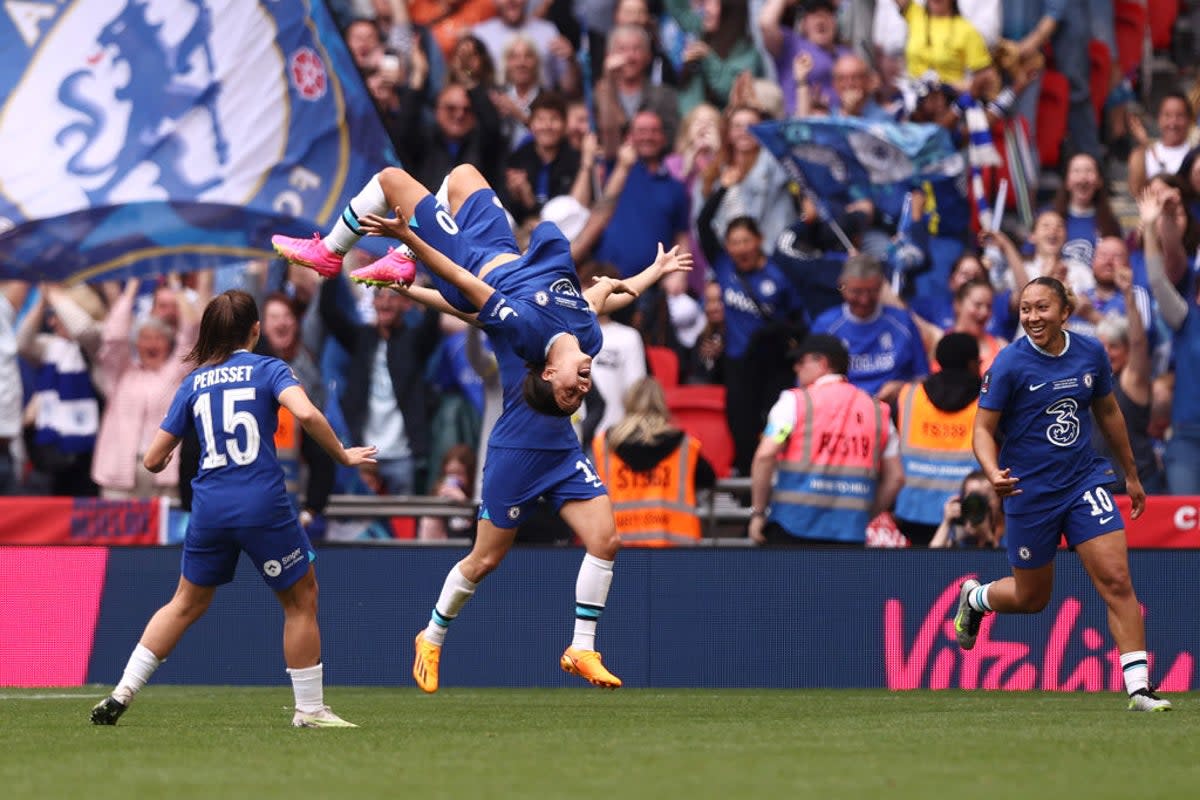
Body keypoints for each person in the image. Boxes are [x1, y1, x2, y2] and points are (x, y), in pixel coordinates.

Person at [274, 162, 692, 691]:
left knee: (598, 541)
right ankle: (432, 636)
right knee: (464, 170)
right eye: (577, 389)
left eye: (574, 390)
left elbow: (463, 286)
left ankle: (330, 251)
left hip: (481, 282)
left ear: (545, 371)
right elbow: (607, 291)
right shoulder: (586, 334)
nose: (583, 387)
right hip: (523, 420)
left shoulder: (523, 327)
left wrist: (413, 247)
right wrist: (654, 273)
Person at [89, 290, 378, 728]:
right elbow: (307, 414)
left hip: (209, 507)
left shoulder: (193, 381)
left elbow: (152, 459)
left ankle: (123, 690)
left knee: (185, 602)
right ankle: (310, 709)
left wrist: (164, 458)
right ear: (255, 330)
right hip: (261, 503)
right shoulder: (270, 368)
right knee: (301, 599)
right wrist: (341, 454)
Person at [957, 276, 1172, 712]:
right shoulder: (1009, 364)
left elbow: (1108, 411)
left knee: (1116, 578)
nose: (1032, 317)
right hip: (1028, 490)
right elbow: (981, 429)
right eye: (1025, 309)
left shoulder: (1090, 352)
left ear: (1064, 313)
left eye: (1042, 308)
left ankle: (1139, 689)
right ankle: (976, 598)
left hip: (1083, 481)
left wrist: (1130, 474)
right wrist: (991, 469)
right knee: (1031, 599)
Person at [748, 334, 904, 546]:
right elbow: (896, 478)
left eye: (801, 361)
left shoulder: (793, 403)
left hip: (793, 527)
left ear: (822, 363)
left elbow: (765, 455)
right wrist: (863, 516)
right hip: (850, 533)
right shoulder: (878, 411)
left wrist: (758, 512)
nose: (796, 368)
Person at [591, 376, 717, 546]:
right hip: (672, 551)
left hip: (616, 548)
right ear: (662, 404)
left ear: (628, 403)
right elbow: (709, 478)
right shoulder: (685, 446)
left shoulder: (604, 444)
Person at [892, 332, 981, 547]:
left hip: (912, 511)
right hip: (967, 511)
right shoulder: (987, 399)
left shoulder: (909, 395)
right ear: (972, 364)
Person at [929, 469, 1004, 548]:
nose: (975, 505)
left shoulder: (1011, 530)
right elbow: (931, 559)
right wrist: (946, 522)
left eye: (983, 498)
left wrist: (987, 536)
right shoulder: (963, 537)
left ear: (998, 499)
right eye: (970, 498)